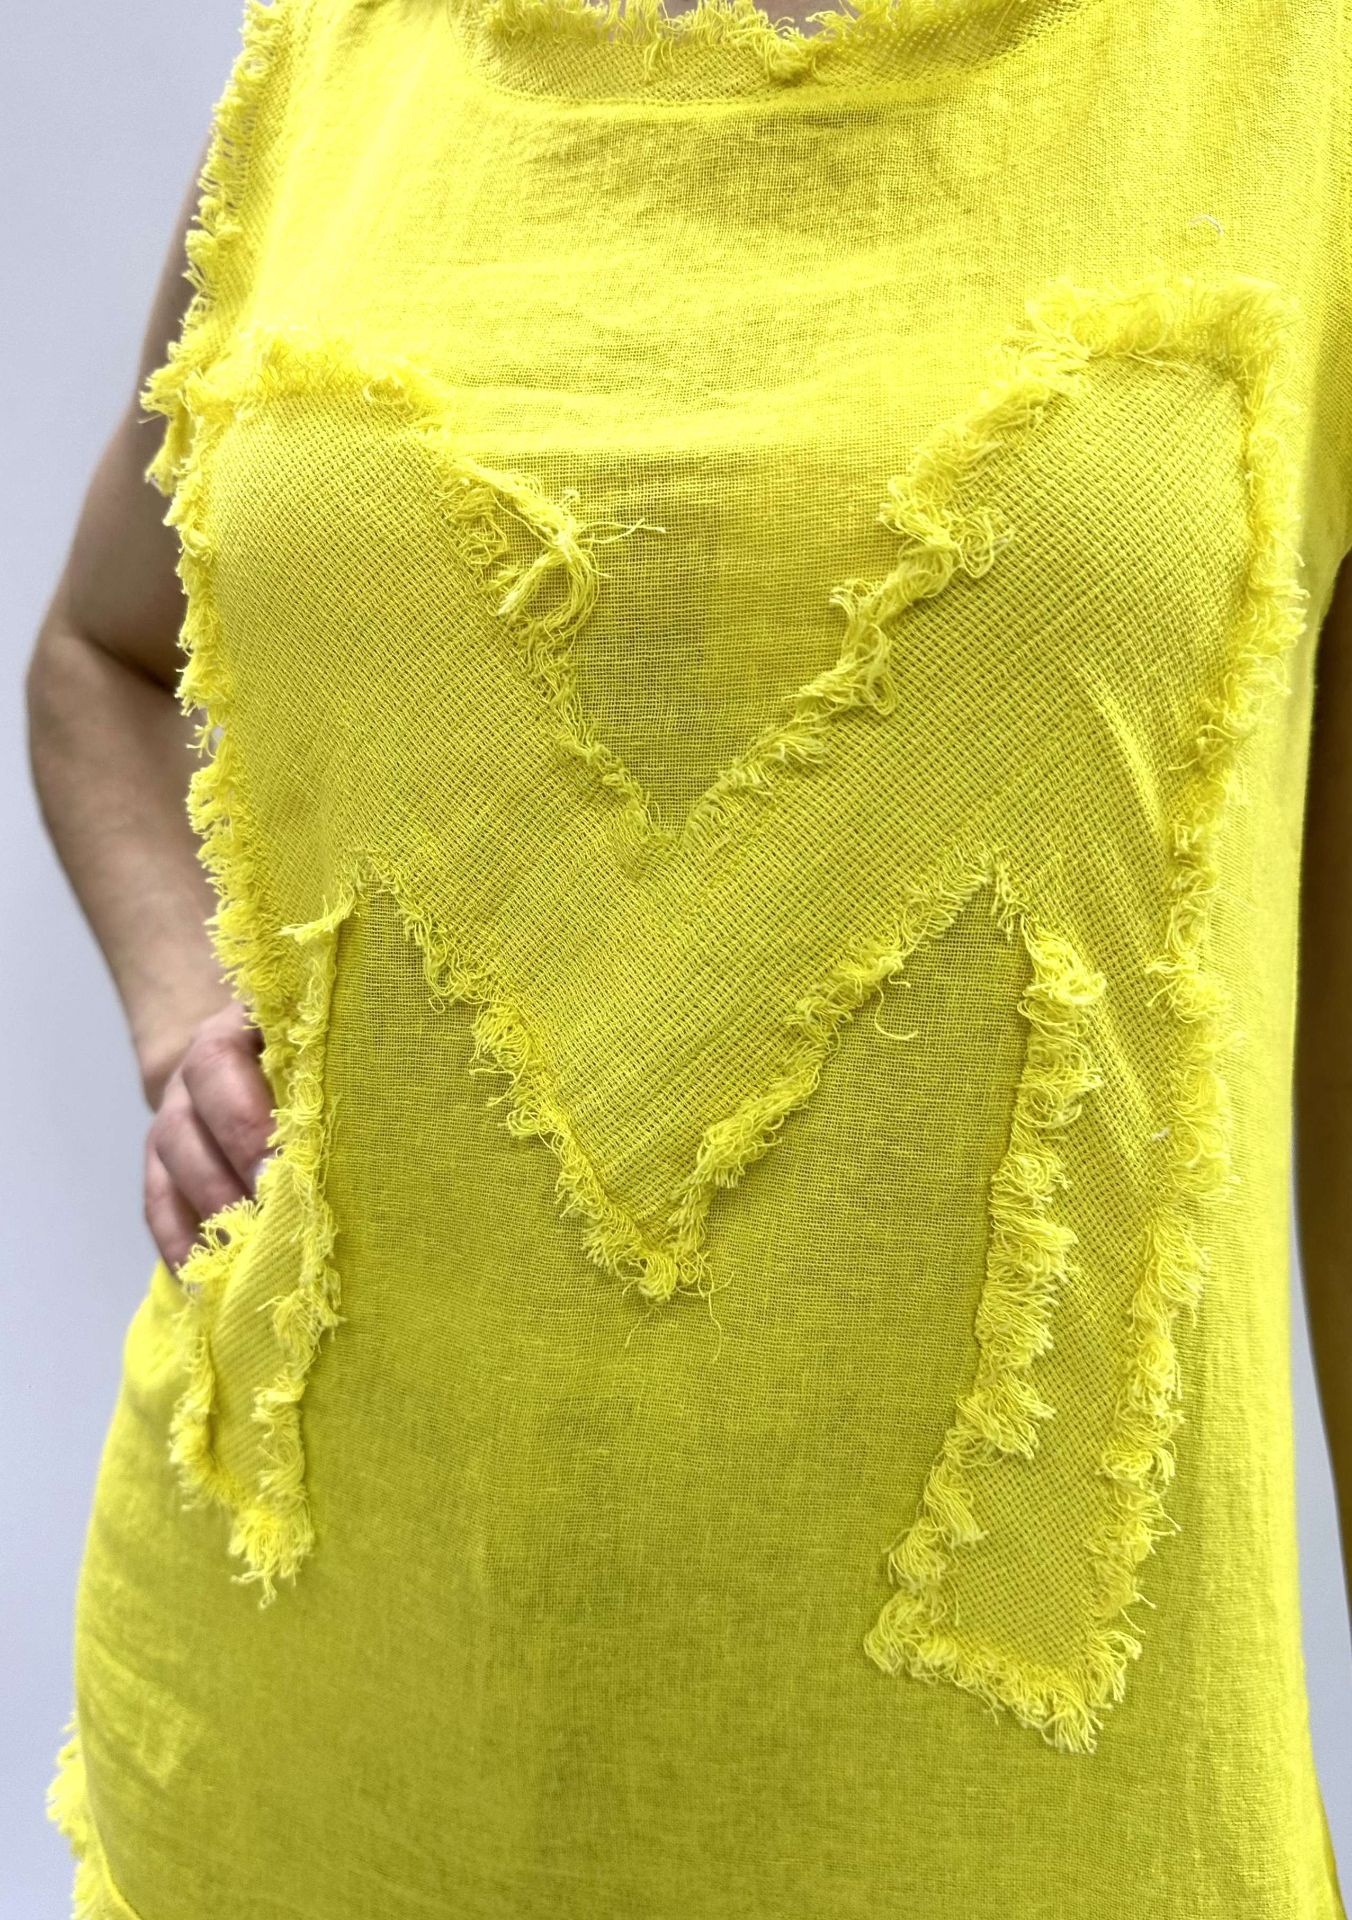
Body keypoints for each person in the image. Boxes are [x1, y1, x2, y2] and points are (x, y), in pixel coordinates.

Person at [24, 0, 1352, 1912]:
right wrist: (180, 1021)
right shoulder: (338, 50)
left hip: (1010, 1819)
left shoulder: (1294, 75)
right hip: (292, 1748)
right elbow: (99, 653)